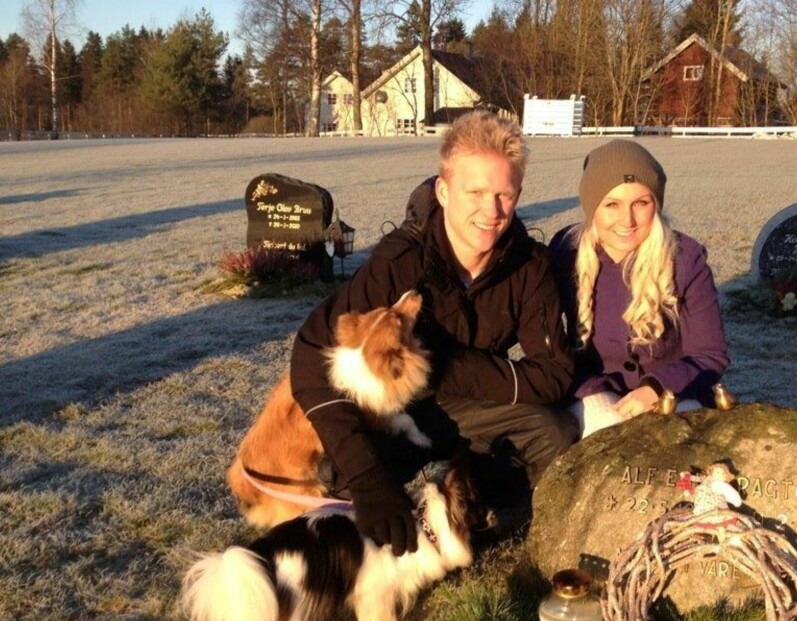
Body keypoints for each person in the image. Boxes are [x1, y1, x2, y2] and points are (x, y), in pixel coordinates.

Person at [290, 110, 577, 556]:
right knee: (342, 473)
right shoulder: (399, 261)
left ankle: (482, 512)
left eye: (505, 193)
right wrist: (370, 479)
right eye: (475, 192)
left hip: (474, 406)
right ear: (443, 190)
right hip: (403, 410)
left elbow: (556, 375)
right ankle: (384, 516)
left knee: (554, 434)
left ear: (518, 193)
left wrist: (444, 365)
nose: (492, 210)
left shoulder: (530, 266)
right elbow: (311, 352)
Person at [549, 140, 729, 437]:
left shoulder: (685, 258)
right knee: (604, 437)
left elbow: (710, 354)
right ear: (592, 207)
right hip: (593, 390)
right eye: (611, 205)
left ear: (655, 204)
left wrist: (657, 387)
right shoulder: (566, 252)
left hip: (674, 391)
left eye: (641, 203)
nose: (627, 221)